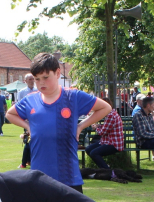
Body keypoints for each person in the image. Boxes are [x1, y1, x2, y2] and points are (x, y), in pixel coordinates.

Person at [7, 53, 111, 192]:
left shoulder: (73, 96)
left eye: (45, 77)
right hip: (39, 178)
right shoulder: (29, 100)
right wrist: (28, 126)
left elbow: (105, 107)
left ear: (57, 73)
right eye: (37, 79)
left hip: (68, 177)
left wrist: (80, 126)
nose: (41, 83)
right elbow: (10, 114)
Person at [17, 73, 39, 168]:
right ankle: (25, 161)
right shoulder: (22, 92)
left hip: (37, 118)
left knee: (34, 139)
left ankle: (28, 161)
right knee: (28, 139)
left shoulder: (38, 91)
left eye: (32, 79)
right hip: (27, 119)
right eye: (29, 79)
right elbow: (19, 106)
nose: (31, 81)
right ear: (25, 81)